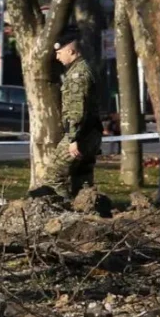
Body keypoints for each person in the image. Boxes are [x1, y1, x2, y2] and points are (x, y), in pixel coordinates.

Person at [45, 25, 104, 198]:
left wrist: (73, 138)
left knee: (53, 177)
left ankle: (64, 212)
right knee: (82, 179)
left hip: (80, 135)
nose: (57, 57)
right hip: (91, 133)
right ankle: (88, 213)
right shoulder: (85, 69)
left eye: (59, 53)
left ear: (71, 51)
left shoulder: (77, 75)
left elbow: (77, 110)